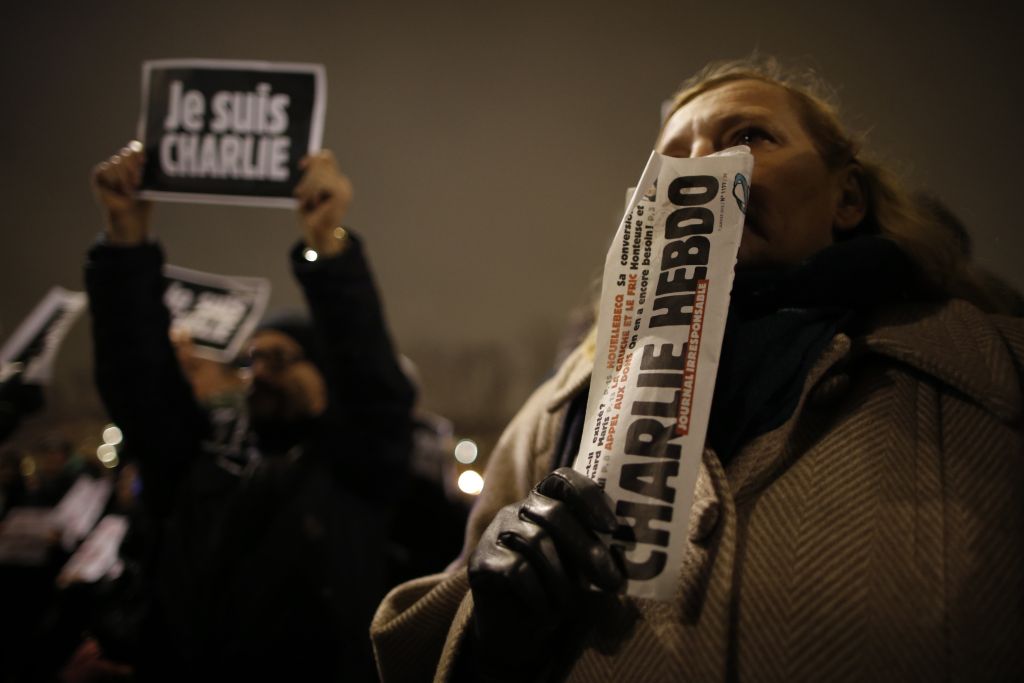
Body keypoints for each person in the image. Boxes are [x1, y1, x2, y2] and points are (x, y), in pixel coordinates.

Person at [370, 57, 1024, 681]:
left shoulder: (990, 370)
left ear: (846, 197)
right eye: (674, 156)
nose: (702, 166)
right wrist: (492, 640)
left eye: (749, 136)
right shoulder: (561, 408)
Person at [86, 143, 415, 680]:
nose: (260, 372)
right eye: (253, 359)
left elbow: (370, 377)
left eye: (282, 358)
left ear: (324, 377)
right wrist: (126, 239)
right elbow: (137, 379)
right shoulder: (199, 452)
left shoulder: (359, 462)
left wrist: (326, 247)